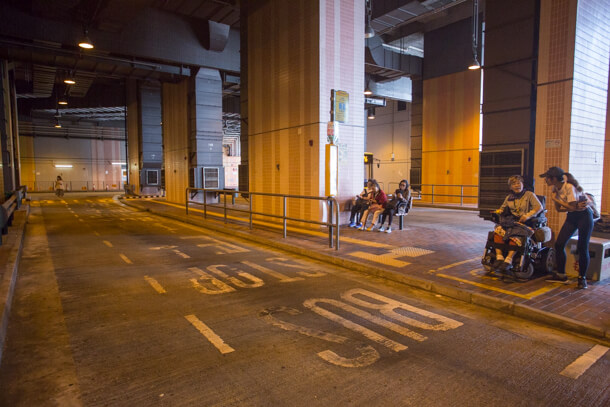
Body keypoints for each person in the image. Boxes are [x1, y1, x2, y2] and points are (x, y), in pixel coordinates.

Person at [540, 166, 593, 289]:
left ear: (553, 178)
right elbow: (560, 210)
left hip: (584, 216)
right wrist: (561, 203)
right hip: (573, 216)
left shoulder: (569, 187)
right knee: (559, 244)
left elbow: (573, 207)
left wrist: (556, 200)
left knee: (582, 247)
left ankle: (582, 278)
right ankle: (561, 274)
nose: (545, 181)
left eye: (547, 178)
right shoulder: (556, 188)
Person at [490, 175, 542, 273]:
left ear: (522, 184)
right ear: (510, 187)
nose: (517, 185)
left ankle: (508, 259)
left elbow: (539, 207)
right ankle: (499, 257)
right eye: (514, 184)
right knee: (498, 231)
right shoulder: (509, 197)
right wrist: (498, 212)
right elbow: (503, 208)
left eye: (518, 183)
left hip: (526, 222)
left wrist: (528, 215)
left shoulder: (529, 195)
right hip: (512, 222)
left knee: (515, 235)